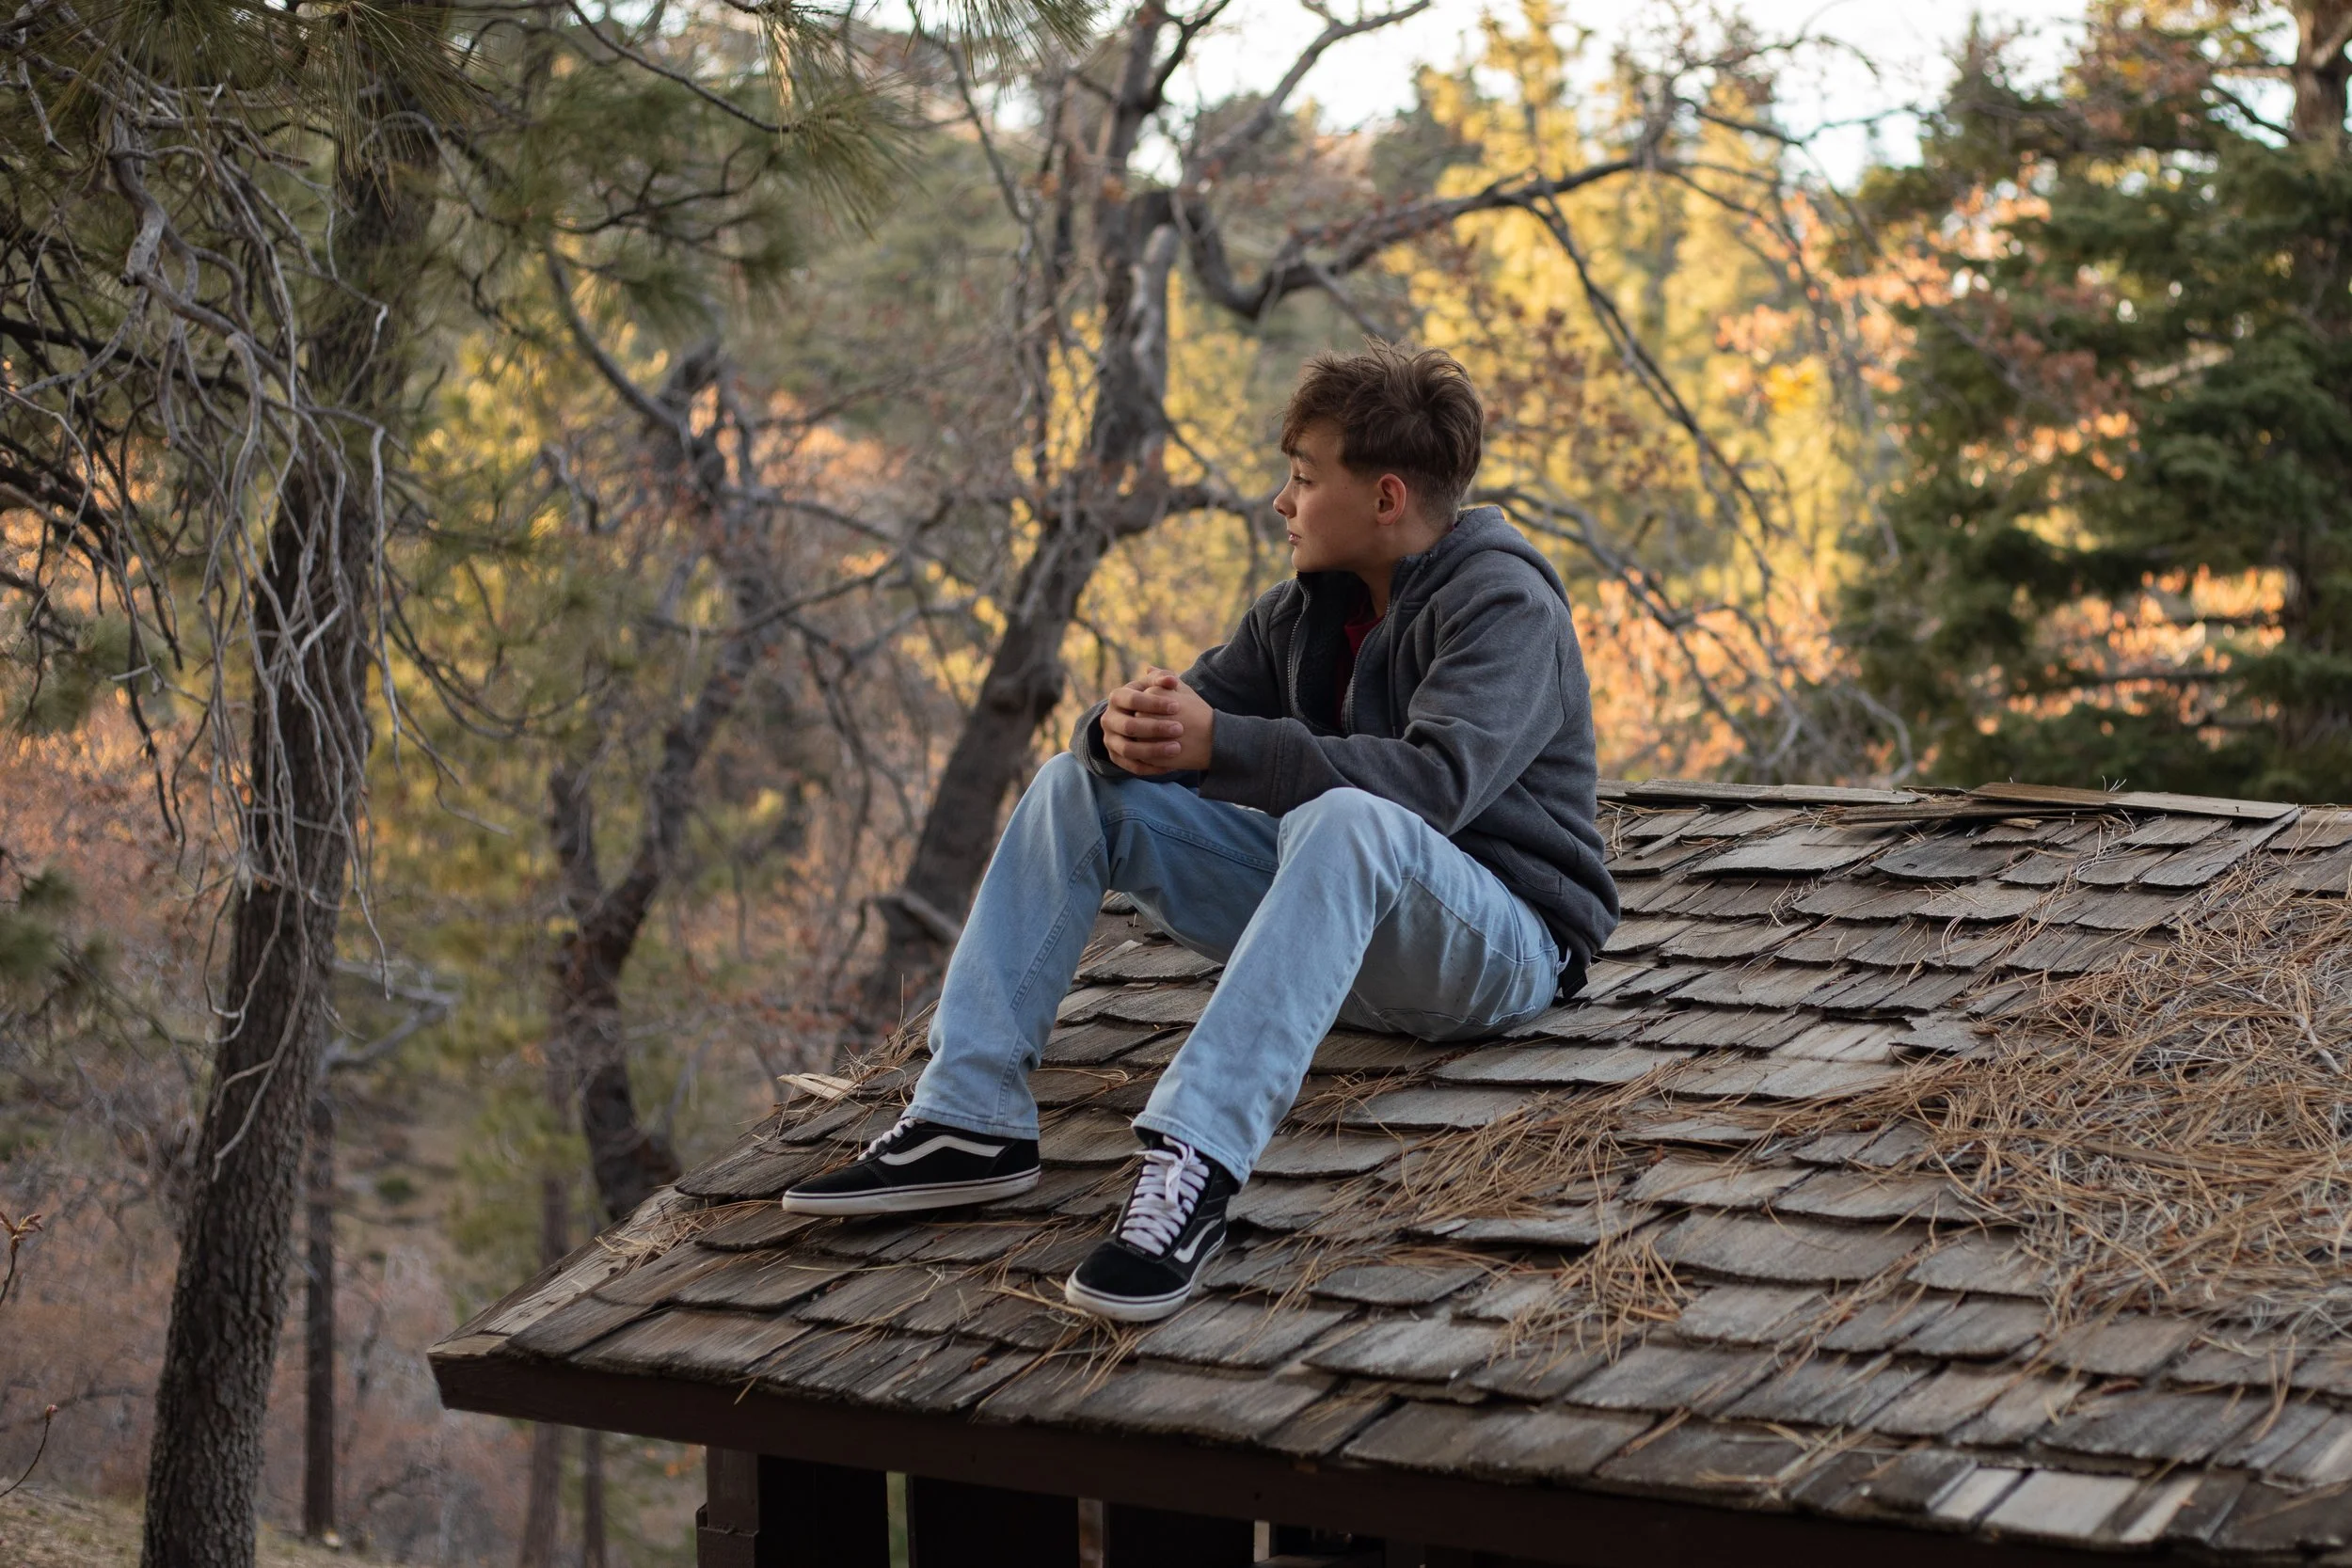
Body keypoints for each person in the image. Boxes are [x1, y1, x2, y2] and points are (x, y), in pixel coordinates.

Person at [784, 343, 1619, 1323]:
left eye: (1305, 479)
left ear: (1386, 496)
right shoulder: (1301, 614)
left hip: (1500, 944)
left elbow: (1434, 785)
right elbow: (1184, 731)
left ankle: (1191, 1163)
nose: (1281, 500)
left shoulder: (1503, 603)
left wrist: (1223, 743)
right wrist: (1121, 726)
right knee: (1076, 787)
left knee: (1351, 816)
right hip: (1347, 935)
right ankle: (967, 1118)